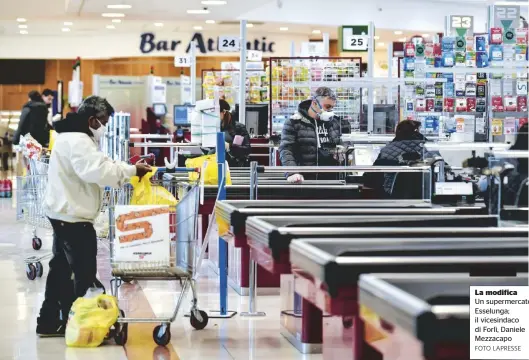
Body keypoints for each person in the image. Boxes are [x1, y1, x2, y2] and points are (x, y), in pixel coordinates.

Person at [36, 95, 152, 337]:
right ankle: (83, 322)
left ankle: (51, 321)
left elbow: (98, 164)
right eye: (104, 121)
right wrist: (131, 170)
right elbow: (96, 171)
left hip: (64, 212)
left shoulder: (73, 137)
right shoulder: (78, 140)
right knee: (83, 272)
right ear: (92, 119)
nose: (105, 127)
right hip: (72, 216)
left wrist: (122, 167)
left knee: (61, 269)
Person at [279, 87, 342, 182]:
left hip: (330, 181)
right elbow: (286, 150)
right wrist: (292, 172)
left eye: (332, 107)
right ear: (314, 103)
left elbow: (339, 144)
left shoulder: (334, 123)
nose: (330, 111)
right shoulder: (294, 123)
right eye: (327, 107)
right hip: (304, 180)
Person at [365, 120, 438, 198]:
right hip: (427, 196)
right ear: (417, 132)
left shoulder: (387, 151)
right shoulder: (430, 149)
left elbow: (371, 179)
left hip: (393, 198)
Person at [219, 99, 251, 167]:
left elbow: (247, 149)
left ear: (224, 112)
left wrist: (230, 146)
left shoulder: (239, 128)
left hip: (234, 167)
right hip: (216, 167)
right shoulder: (213, 128)